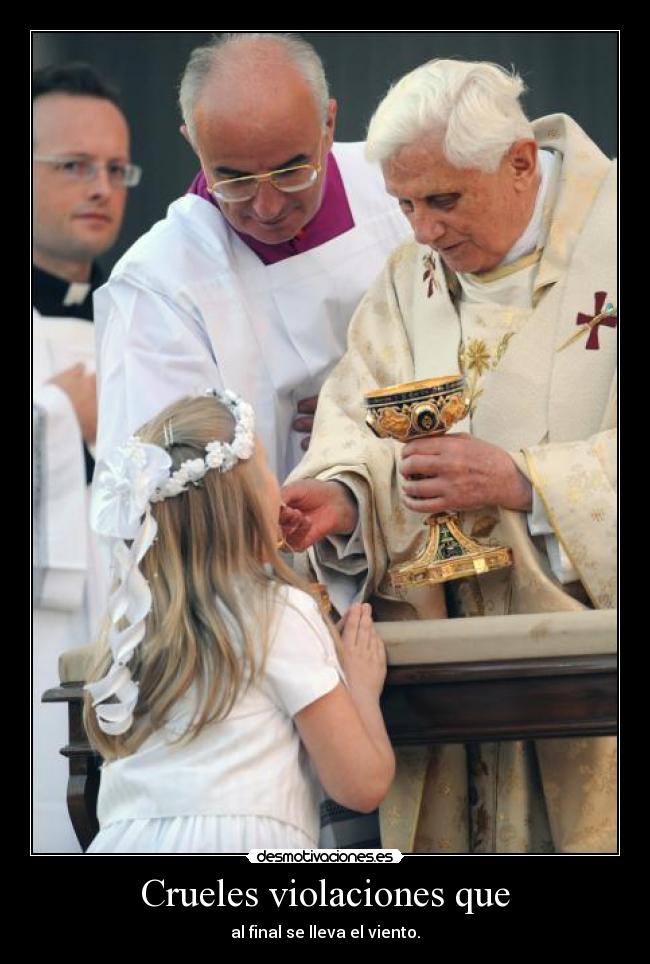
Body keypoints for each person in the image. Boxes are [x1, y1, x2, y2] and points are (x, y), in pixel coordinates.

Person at [281, 59, 617, 853]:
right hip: (446, 682)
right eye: (404, 205)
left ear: (520, 163)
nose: (423, 232)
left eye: (443, 200)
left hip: (589, 679)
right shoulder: (409, 280)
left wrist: (525, 482)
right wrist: (345, 498)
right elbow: (357, 418)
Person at [83, 390, 394, 853]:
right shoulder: (278, 612)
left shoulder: (130, 624)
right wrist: (362, 689)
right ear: (245, 504)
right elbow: (362, 784)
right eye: (266, 471)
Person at [93, 32, 411, 479]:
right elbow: (162, 481)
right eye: (236, 180)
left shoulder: (401, 189)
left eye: (291, 171)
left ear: (328, 124)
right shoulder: (160, 283)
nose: (268, 208)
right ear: (195, 144)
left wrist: (389, 406)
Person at [33, 62, 140, 853]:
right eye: (73, 165)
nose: (101, 187)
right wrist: (58, 416)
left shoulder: (146, 316)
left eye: (115, 169)